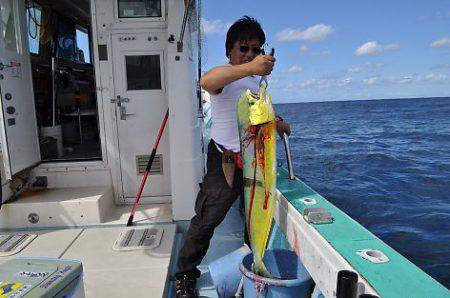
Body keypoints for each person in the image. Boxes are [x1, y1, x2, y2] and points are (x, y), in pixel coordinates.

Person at [175, 16, 291, 298]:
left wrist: (279, 125)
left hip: (255, 164)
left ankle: (254, 268)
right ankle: (185, 275)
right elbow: (206, 81)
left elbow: (257, 116)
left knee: (256, 217)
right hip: (225, 161)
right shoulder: (225, 75)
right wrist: (250, 67)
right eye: (243, 48)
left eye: (256, 49)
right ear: (229, 51)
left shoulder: (255, 81)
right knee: (207, 219)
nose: (250, 54)